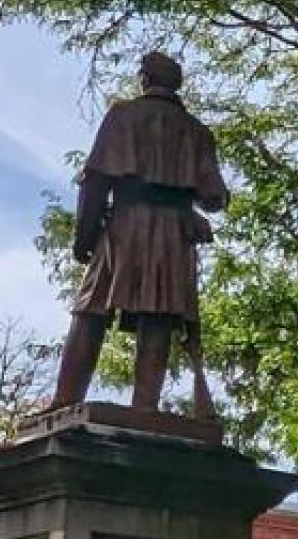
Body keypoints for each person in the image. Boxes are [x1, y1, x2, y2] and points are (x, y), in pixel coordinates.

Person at [52, 51, 232, 415]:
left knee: (91, 310)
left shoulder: (123, 116)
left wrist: (84, 238)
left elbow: (96, 181)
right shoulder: (198, 132)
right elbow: (214, 197)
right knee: (160, 315)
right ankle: (144, 407)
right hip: (172, 233)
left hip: (124, 226)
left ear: (145, 79)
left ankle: (64, 399)